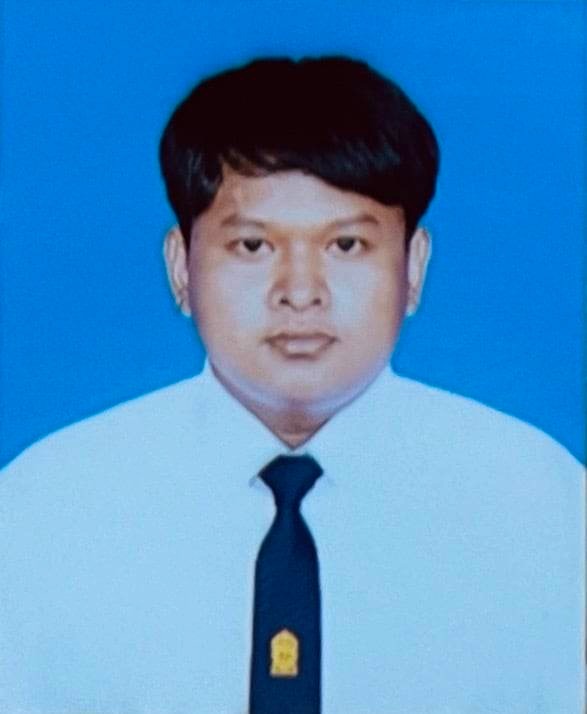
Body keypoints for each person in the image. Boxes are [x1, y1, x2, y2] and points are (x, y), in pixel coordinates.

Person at [0, 56, 583, 714]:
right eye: (253, 247)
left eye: (346, 246)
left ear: (413, 267)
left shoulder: (545, 509)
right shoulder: (44, 510)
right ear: (181, 268)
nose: (300, 292)